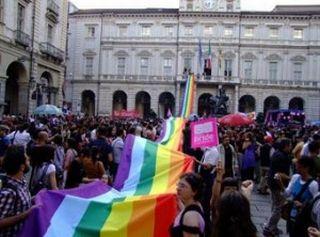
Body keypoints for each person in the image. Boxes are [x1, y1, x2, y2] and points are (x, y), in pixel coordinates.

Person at [0, 146, 34, 236]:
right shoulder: (9, 192)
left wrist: (37, 197)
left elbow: (20, 204)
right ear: (22, 167)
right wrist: (27, 213)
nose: (29, 160)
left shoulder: (22, 182)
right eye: (27, 160)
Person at [263, 138, 292, 237]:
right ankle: (269, 227)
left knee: (275, 204)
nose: (290, 147)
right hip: (278, 184)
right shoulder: (282, 156)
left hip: (272, 182)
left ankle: (272, 226)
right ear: (285, 146)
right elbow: (279, 173)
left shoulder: (277, 153)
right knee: (279, 207)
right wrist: (290, 178)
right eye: (289, 145)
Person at [284, 157, 318, 237]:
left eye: (299, 167)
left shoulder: (313, 184)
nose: (297, 168)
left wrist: (302, 205)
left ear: (307, 168)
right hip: (292, 216)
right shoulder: (295, 177)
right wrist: (280, 183)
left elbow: (315, 206)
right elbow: (287, 193)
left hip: (304, 220)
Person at [170, 173, 205, 237]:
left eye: (183, 186)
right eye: (178, 185)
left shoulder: (190, 215)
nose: (178, 188)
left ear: (194, 192)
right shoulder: (195, 206)